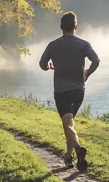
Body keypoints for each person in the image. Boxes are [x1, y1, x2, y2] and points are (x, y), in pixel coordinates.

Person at [39, 11, 100, 170]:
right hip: (79, 90)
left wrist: (47, 67)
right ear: (76, 26)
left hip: (61, 90)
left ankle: (78, 148)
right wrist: (87, 72)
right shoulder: (84, 44)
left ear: (61, 27)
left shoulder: (53, 45)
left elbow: (42, 64)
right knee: (69, 123)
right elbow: (96, 60)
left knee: (67, 123)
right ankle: (68, 156)